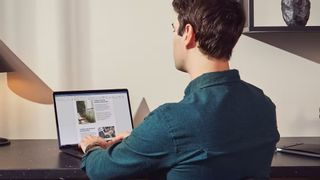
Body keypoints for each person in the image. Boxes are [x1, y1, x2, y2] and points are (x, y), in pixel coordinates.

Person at [79, 0, 280, 179]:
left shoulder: (170, 121)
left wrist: (92, 146)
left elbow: (101, 169)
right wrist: (139, 141)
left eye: (173, 28)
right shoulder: (264, 105)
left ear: (188, 34)